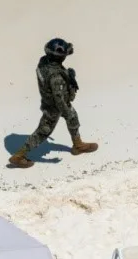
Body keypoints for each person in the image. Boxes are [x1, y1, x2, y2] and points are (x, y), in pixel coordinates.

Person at [8, 38, 98, 168]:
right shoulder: (56, 77)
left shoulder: (44, 62)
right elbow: (59, 99)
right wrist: (66, 111)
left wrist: (67, 76)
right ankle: (19, 156)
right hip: (54, 107)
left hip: (50, 101)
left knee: (73, 118)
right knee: (43, 131)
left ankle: (78, 145)